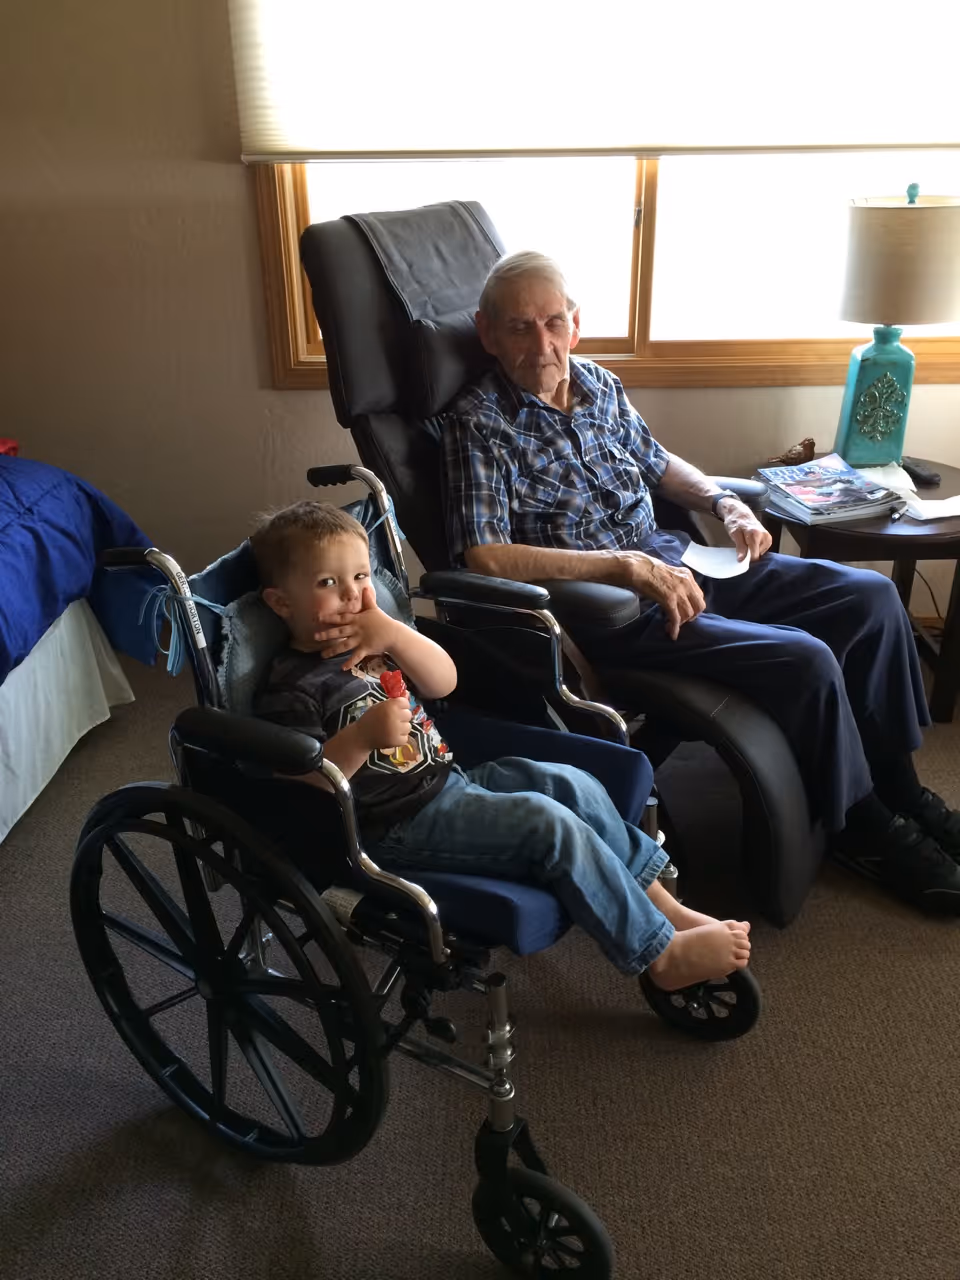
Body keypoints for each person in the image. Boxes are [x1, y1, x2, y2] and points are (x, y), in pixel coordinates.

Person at [441, 250, 960, 915]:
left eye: (553, 323)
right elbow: (482, 555)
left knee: (871, 598)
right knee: (804, 658)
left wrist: (724, 502)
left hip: (683, 561)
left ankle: (902, 788)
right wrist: (622, 566)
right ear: (487, 333)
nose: (542, 345)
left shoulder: (598, 383)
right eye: (519, 328)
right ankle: (865, 827)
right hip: (614, 611)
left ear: (575, 324)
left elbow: (659, 466)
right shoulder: (478, 424)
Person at [249, 500, 752, 991]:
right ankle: (658, 955)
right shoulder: (293, 687)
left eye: (361, 577)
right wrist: (360, 737)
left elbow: (443, 682)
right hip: (394, 825)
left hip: (451, 781)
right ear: (281, 603)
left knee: (570, 783)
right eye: (327, 583)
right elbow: (302, 775)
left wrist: (395, 634)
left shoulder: (377, 641)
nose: (353, 595)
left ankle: (667, 911)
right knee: (547, 822)